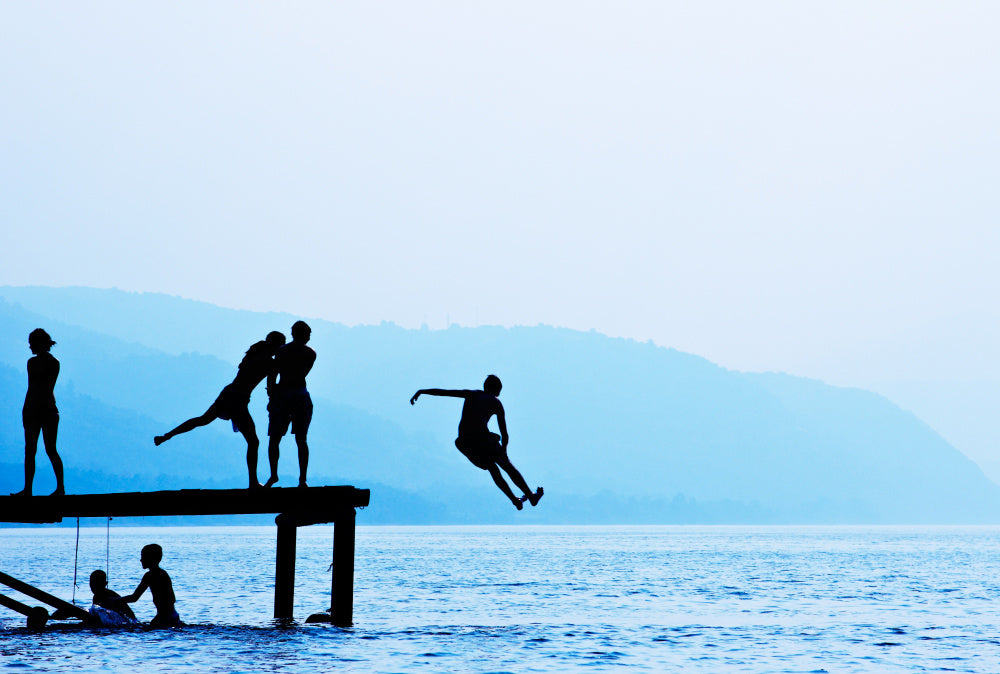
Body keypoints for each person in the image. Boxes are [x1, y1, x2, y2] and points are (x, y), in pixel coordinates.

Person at [154, 331, 286, 488]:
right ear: (277, 346)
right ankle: (252, 482)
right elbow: (271, 387)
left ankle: (166, 436)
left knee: (202, 420)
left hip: (228, 393)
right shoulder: (270, 364)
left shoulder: (253, 354)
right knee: (253, 442)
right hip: (238, 400)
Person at [410, 375, 542, 510]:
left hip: (465, 443)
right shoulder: (496, 403)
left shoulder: (471, 394)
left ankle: (515, 500)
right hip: (481, 440)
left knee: (492, 468)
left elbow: (444, 392)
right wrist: (504, 451)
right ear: (495, 389)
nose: (500, 394)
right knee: (506, 465)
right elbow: (504, 434)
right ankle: (531, 497)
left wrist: (422, 391)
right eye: (499, 390)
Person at [12, 329, 64, 497]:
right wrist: (26, 410)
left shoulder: (51, 363)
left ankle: (59, 488)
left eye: (32, 344)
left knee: (49, 449)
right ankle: (28, 489)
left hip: (45, 410)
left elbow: (39, 388)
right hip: (36, 410)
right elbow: (32, 388)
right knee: (31, 450)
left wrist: (27, 410)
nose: (29, 347)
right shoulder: (34, 363)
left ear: (39, 344)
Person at [264, 321, 317, 488]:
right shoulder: (310, 353)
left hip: (282, 396)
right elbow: (301, 374)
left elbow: (273, 375)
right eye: (308, 334)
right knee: (301, 439)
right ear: (305, 335)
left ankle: (273, 475)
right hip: (300, 395)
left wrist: (271, 395)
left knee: (275, 438)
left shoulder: (282, 352)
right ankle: (302, 479)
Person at [122, 544, 180, 628]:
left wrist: (115, 601)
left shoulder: (150, 576)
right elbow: (172, 599)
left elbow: (134, 598)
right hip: (172, 616)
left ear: (151, 559)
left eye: (143, 557)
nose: (141, 560)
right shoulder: (163, 573)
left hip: (166, 618)